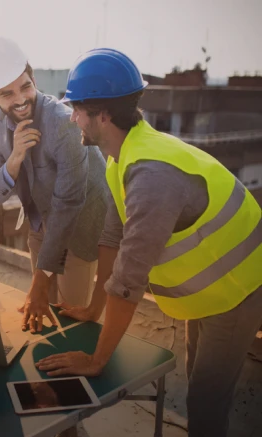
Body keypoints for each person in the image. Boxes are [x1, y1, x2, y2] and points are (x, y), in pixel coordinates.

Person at [36, 48, 262, 437]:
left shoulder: (151, 177)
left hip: (238, 287)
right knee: (199, 388)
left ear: (102, 115)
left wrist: (96, 360)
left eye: (78, 110)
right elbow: (112, 235)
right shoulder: (122, 155)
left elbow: (128, 279)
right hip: (210, 288)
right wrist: (92, 309)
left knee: (207, 402)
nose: (73, 118)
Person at [0, 38, 108, 333]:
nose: (20, 99)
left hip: (81, 222)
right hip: (38, 219)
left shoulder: (64, 123)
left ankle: (75, 375)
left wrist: (38, 281)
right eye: (7, 94)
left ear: (33, 79)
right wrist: (16, 156)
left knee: (72, 317)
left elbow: (68, 205)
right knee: (42, 309)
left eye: (25, 86)